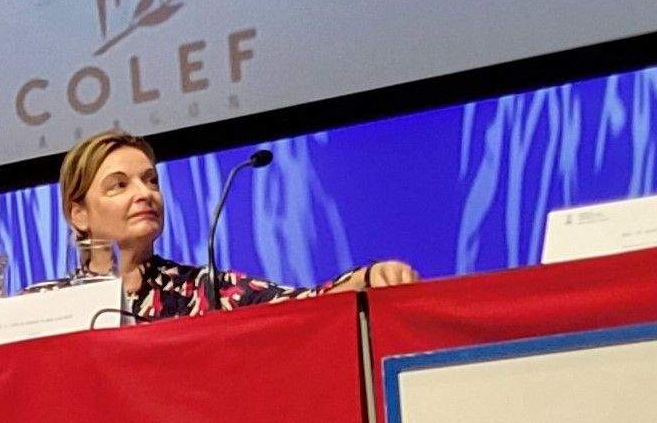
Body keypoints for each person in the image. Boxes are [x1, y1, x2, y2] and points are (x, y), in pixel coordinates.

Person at [58, 129, 417, 319]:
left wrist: (368, 278)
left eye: (151, 180)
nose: (145, 194)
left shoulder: (204, 292)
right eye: (119, 185)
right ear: (80, 215)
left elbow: (302, 305)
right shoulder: (45, 306)